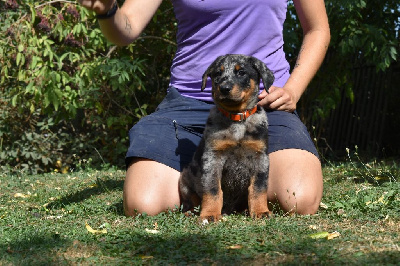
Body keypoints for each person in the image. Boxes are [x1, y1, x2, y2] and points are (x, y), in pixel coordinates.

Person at [77, 0, 330, 216]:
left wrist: (293, 89)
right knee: (142, 205)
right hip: (188, 104)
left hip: (262, 105)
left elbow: (318, 29)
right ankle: (216, 185)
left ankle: (230, 187)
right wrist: (108, 9)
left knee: (299, 199)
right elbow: (127, 25)